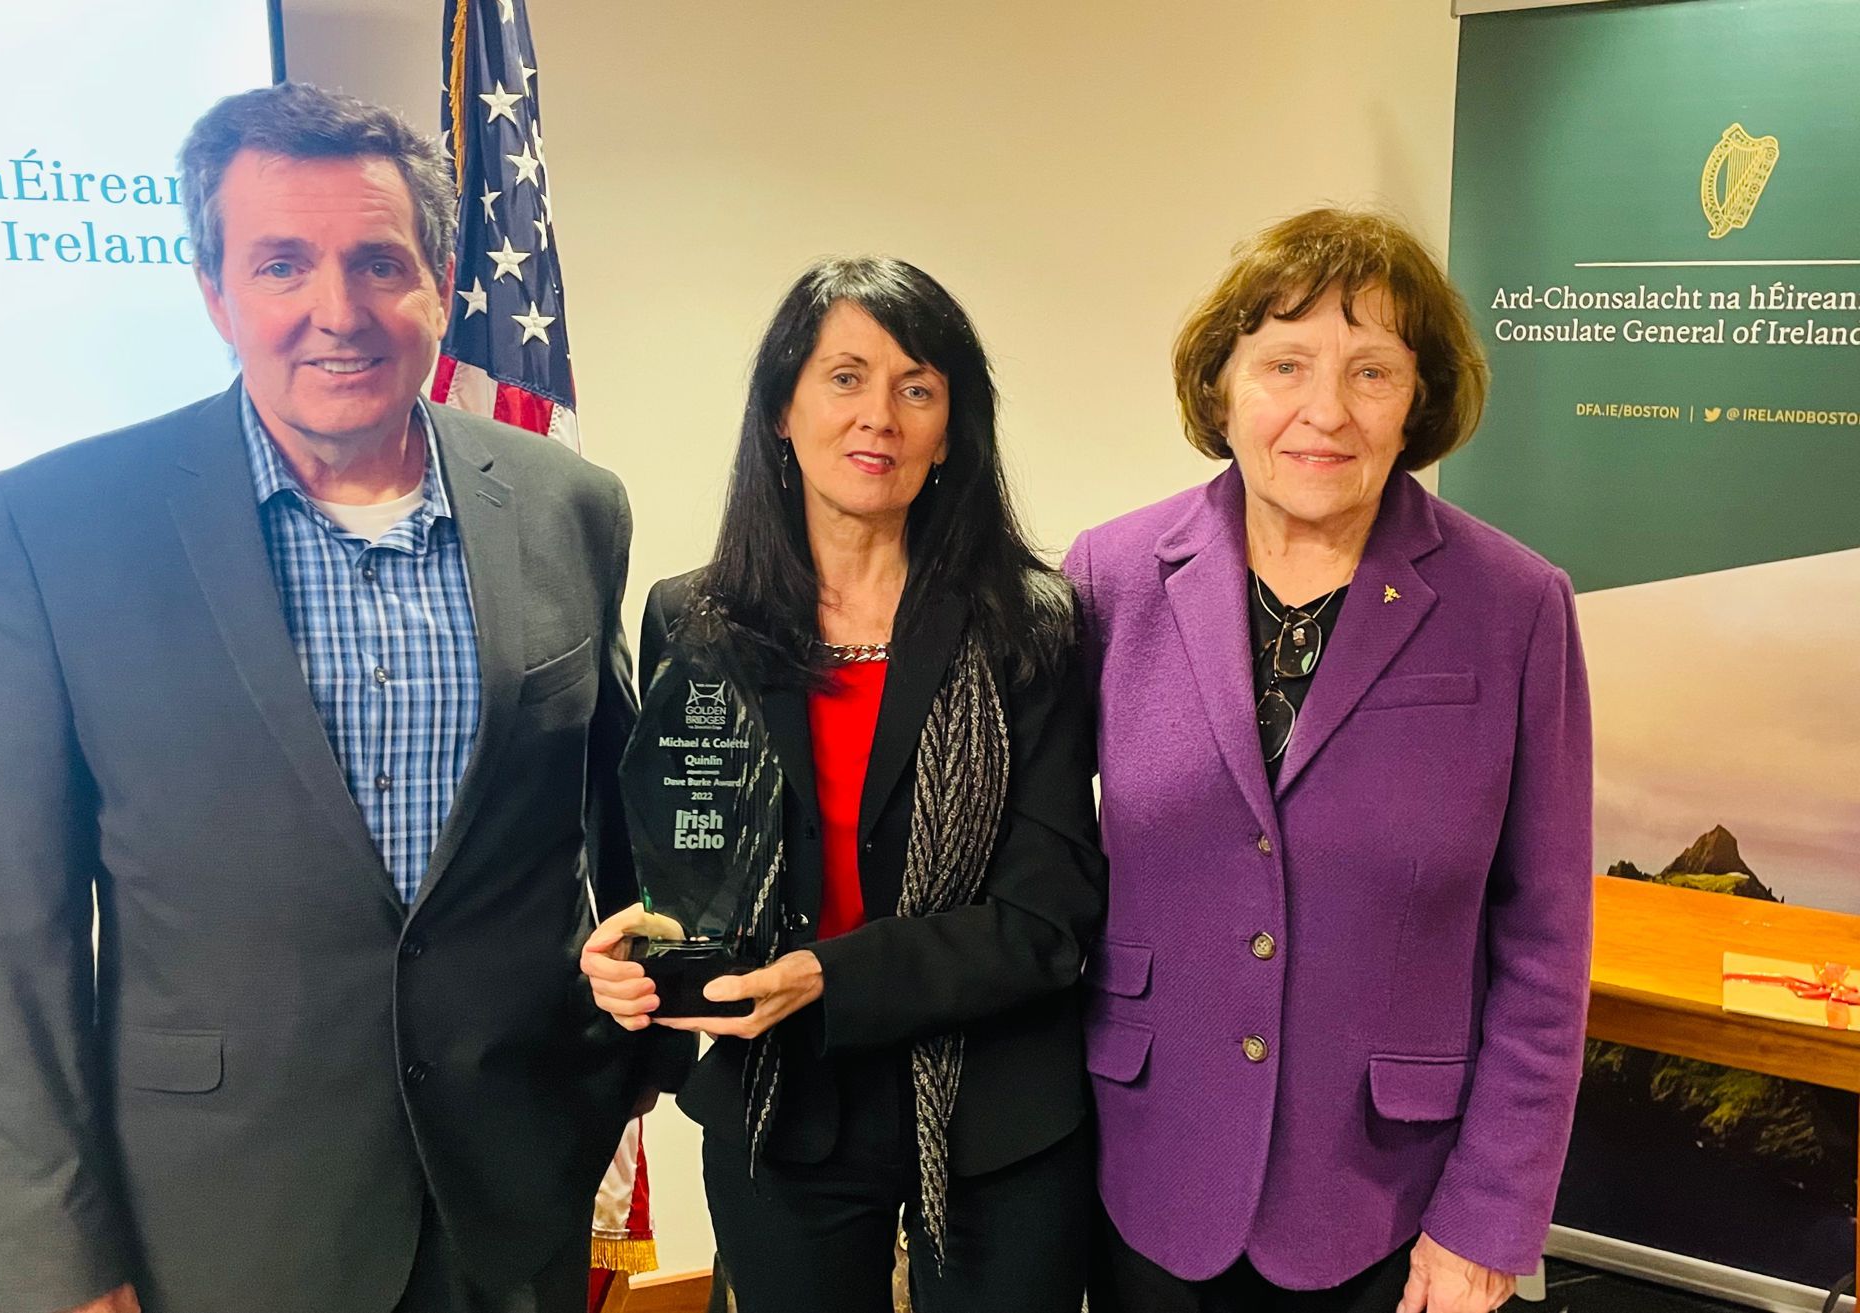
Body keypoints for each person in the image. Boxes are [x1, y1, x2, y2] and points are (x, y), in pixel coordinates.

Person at [0, 82, 654, 1313]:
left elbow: (623, 829)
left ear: (438, 281)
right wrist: (58, 1261)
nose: (338, 311)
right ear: (213, 291)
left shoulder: (566, 506)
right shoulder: (57, 526)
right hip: (220, 1224)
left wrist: (630, 1055)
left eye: (379, 262)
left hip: (510, 1208)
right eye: (282, 264)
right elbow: (19, 936)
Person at [1065, 208, 1592, 1313]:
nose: (1326, 410)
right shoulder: (1109, 577)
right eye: (1284, 364)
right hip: (1143, 1168)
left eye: (1371, 371)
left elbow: (1544, 941)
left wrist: (1487, 1219)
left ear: (1418, 400)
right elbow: (1044, 873)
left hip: (1389, 1205)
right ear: (1221, 386)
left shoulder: (1515, 606)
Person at [580, 257, 1106, 1313]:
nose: (880, 417)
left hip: (998, 1115)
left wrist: (828, 974)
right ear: (782, 409)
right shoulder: (695, 621)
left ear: (951, 429)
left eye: (917, 387)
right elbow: (671, 868)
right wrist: (628, 956)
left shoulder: (1032, 624)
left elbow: (1048, 920)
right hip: (779, 1109)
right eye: (845, 378)